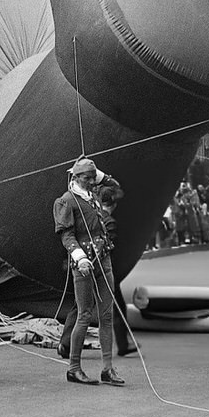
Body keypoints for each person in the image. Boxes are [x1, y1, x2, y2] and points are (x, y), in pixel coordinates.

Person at [53, 157, 124, 386]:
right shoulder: (66, 201)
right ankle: (73, 368)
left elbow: (115, 187)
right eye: (86, 177)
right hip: (83, 262)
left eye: (93, 178)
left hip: (103, 258)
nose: (91, 181)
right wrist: (78, 256)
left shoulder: (92, 194)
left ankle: (107, 369)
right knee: (84, 315)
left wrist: (97, 173)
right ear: (75, 177)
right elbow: (66, 234)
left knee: (106, 315)